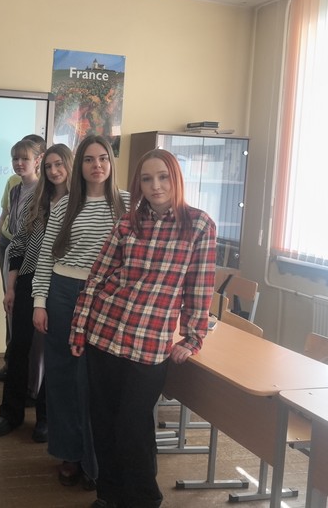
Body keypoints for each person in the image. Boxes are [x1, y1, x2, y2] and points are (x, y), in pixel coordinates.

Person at [70, 148, 217, 508]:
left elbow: (199, 288)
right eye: (147, 179)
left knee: (132, 428)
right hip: (104, 332)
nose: (156, 186)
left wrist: (193, 338)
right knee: (103, 423)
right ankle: (108, 495)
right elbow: (98, 276)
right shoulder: (127, 223)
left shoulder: (198, 225)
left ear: (176, 178)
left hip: (149, 344)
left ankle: (143, 500)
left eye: (163, 177)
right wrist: (79, 326)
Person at [32, 135, 129, 490]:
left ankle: (96, 461)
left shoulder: (127, 204)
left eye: (102, 158)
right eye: (89, 159)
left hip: (105, 298)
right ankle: (69, 454)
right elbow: (47, 257)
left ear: (111, 162)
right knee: (62, 377)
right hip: (62, 294)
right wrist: (39, 302)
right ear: (80, 166)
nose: (96, 165)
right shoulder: (65, 205)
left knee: (96, 381)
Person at [0, 143, 74, 442]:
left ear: (69, 165)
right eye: (49, 165)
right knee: (19, 347)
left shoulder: (79, 206)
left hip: (62, 284)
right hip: (28, 278)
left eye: (59, 164)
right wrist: (11, 287)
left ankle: (46, 418)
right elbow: (18, 245)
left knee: (55, 351)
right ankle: (10, 412)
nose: (53, 171)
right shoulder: (36, 202)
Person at [0, 135, 45, 381]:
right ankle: (12, 361)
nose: (19, 163)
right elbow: (5, 218)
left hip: (33, 252)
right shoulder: (13, 185)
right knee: (11, 304)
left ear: (38, 160)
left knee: (29, 307)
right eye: (15, 158)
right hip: (9, 247)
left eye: (25, 158)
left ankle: (29, 370)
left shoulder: (44, 189)